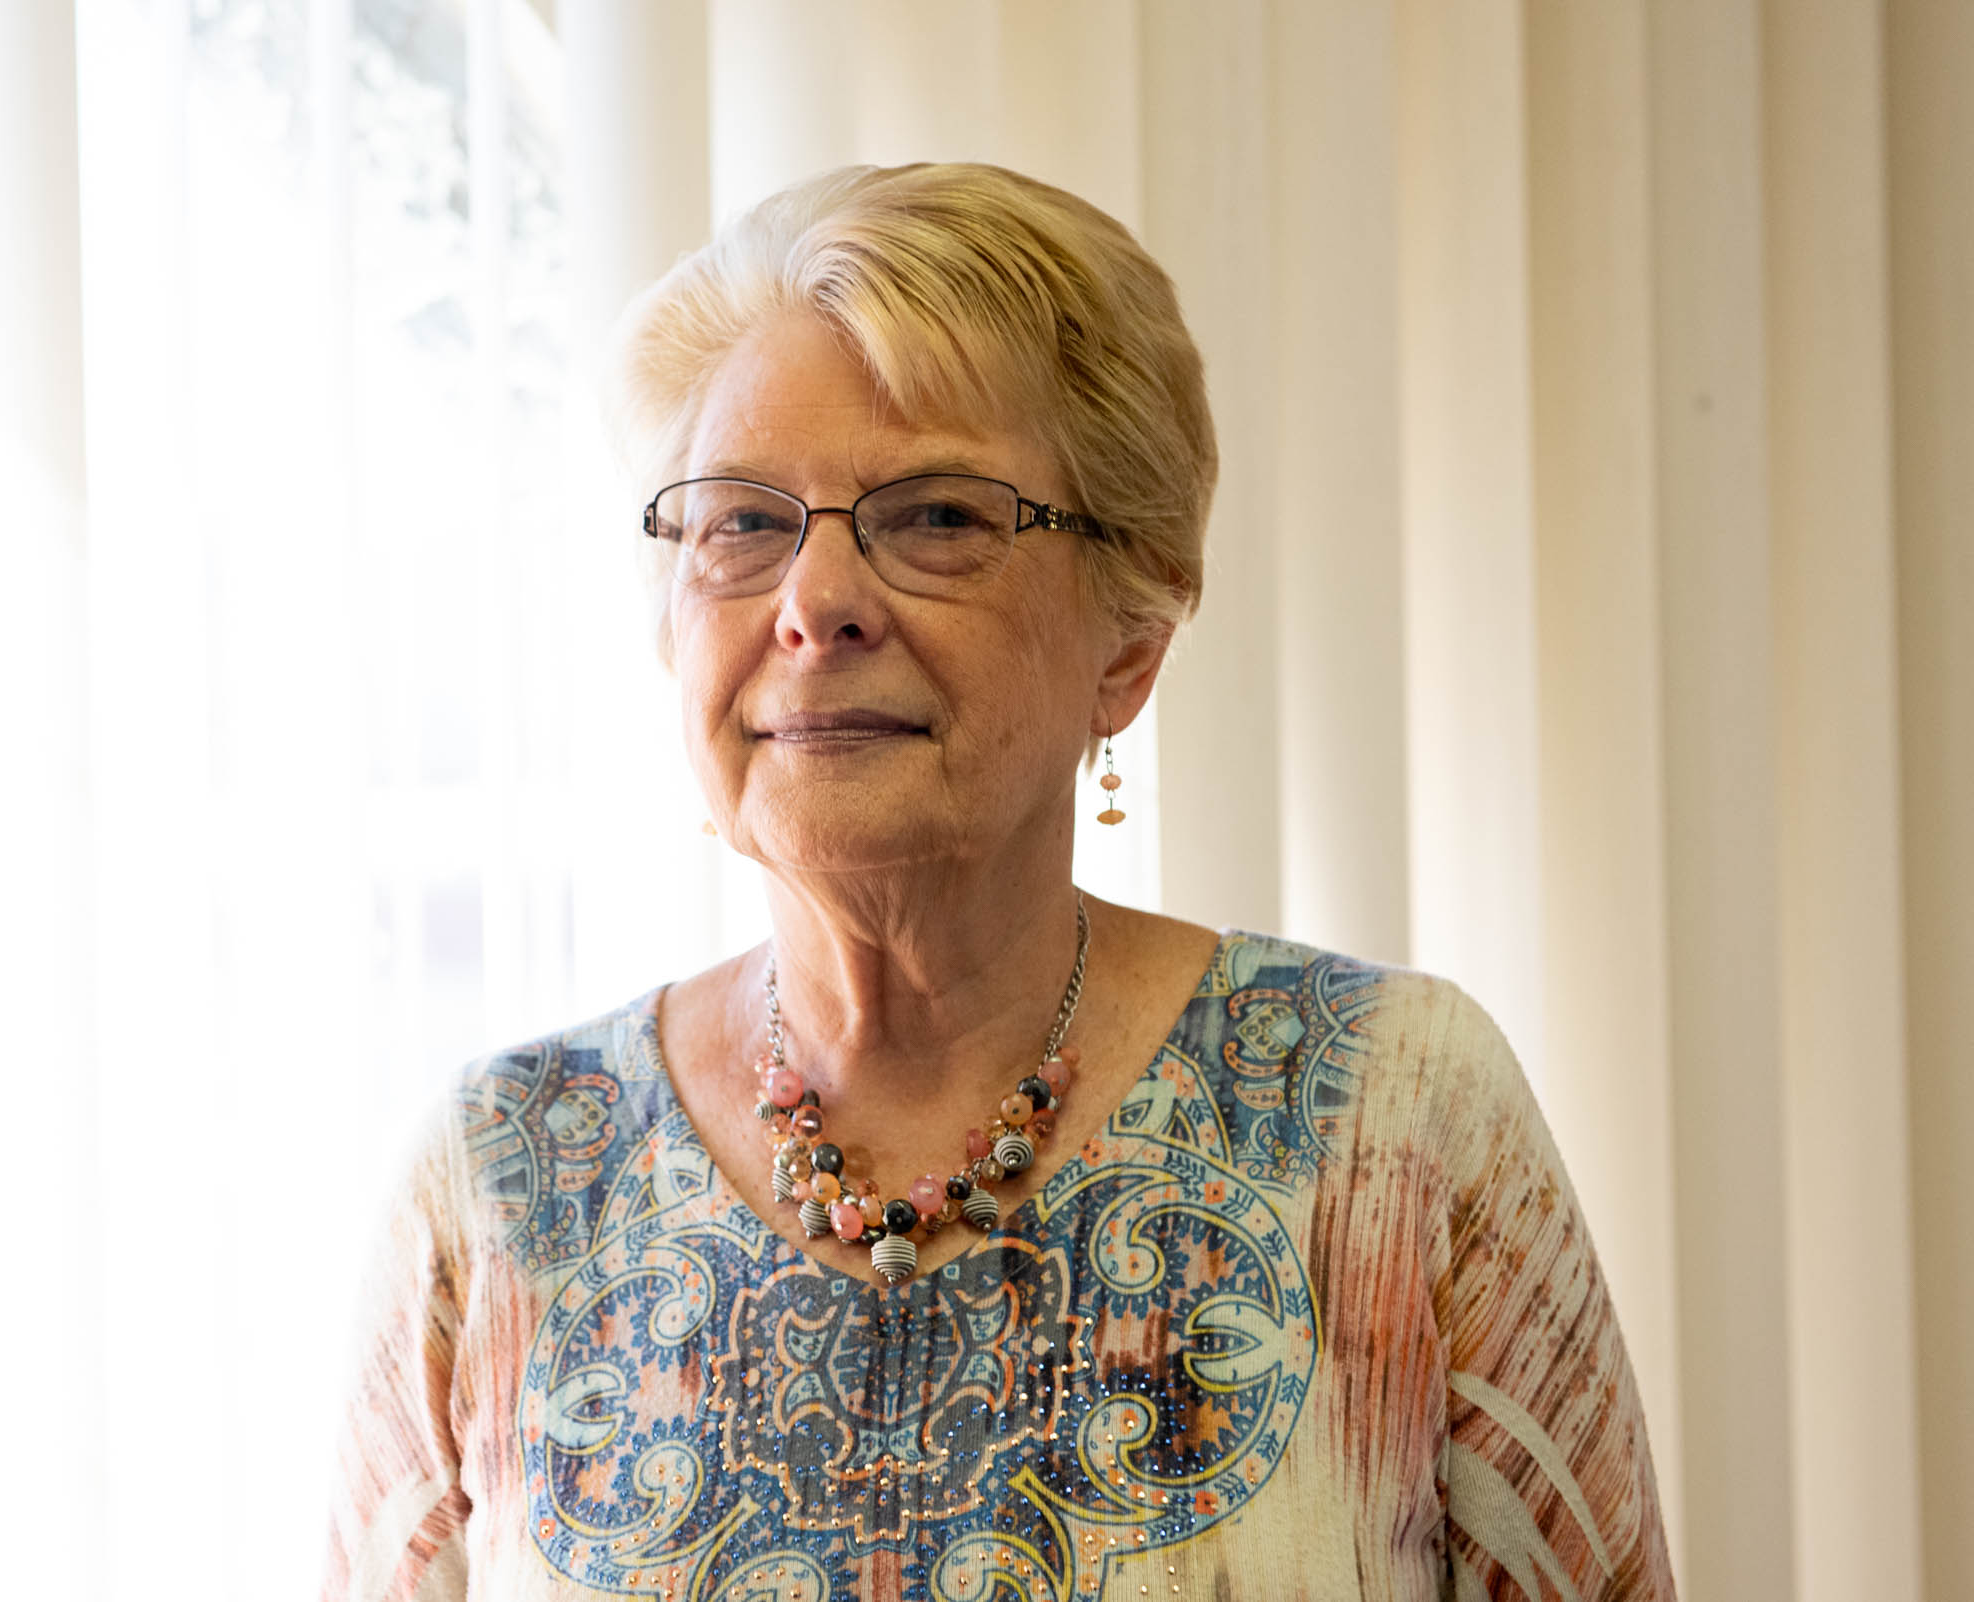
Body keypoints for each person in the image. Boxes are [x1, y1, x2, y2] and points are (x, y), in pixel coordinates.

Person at [319, 163, 1674, 1600]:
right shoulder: (500, 1183)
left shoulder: (1399, 1114)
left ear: (1128, 641)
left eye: (938, 517)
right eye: (740, 522)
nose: (813, 600)